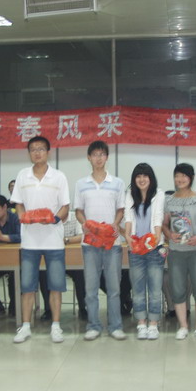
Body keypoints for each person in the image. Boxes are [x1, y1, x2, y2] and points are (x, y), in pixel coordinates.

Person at [10, 136, 69, 344]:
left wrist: (54, 219)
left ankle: (56, 326)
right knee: (27, 286)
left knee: (56, 285)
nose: (37, 152)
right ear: (29, 153)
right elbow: (18, 203)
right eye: (33, 149)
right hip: (29, 241)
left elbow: (65, 207)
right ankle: (25, 326)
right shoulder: (22, 175)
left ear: (48, 152)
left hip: (54, 240)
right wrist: (22, 216)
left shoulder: (59, 177)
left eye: (41, 149)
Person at [75, 140, 126, 341]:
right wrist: (84, 223)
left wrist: (115, 224)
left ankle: (115, 326)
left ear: (107, 157)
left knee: (114, 288)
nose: (98, 158)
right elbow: (78, 211)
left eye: (102, 154)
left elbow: (121, 209)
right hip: (90, 244)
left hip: (112, 243)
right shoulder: (81, 184)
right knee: (91, 288)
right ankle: (93, 325)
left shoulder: (117, 183)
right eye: (95, 154)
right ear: (89, 157)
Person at [162, 163, 196, 340]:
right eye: (177, 176)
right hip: (176, 252)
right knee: (178, 289)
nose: (180, 179)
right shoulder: (169, 200)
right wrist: (169, 235)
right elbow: (165, 225)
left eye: (184, 175)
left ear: (191, 178)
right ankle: (183, 326)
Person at [124, 163, 165, 340]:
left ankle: (153, 323)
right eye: (138, 176)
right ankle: (141, 323)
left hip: (154, 249)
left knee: (155, 289)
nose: (142, 179)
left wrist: (155, 239)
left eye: (145, 176)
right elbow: (128, 218)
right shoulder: (129, 194)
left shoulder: (159, 194)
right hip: (135, 248)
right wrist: (128, 236)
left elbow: (158, 218)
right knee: (138, 289)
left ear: (151, 178)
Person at [0, 194, 20, 316]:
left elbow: (21, 236)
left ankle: (15, 308)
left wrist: (1, 237)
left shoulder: (15, 218)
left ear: (4, 207)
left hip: (16, 261)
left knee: (15, 276)